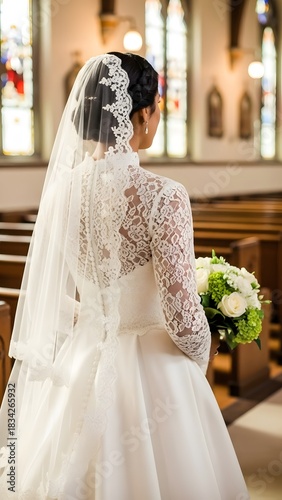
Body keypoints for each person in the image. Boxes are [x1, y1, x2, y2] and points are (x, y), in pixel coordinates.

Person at [0, 52, 249, 499]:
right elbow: (181, 315)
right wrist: (201, 354)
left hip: (81, 359)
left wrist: (95, 317)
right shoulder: (165, 196)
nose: (156, 116)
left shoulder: (60, 194)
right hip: (155, 367)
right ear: (140, 115)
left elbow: (52, 295)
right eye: (155, 106)